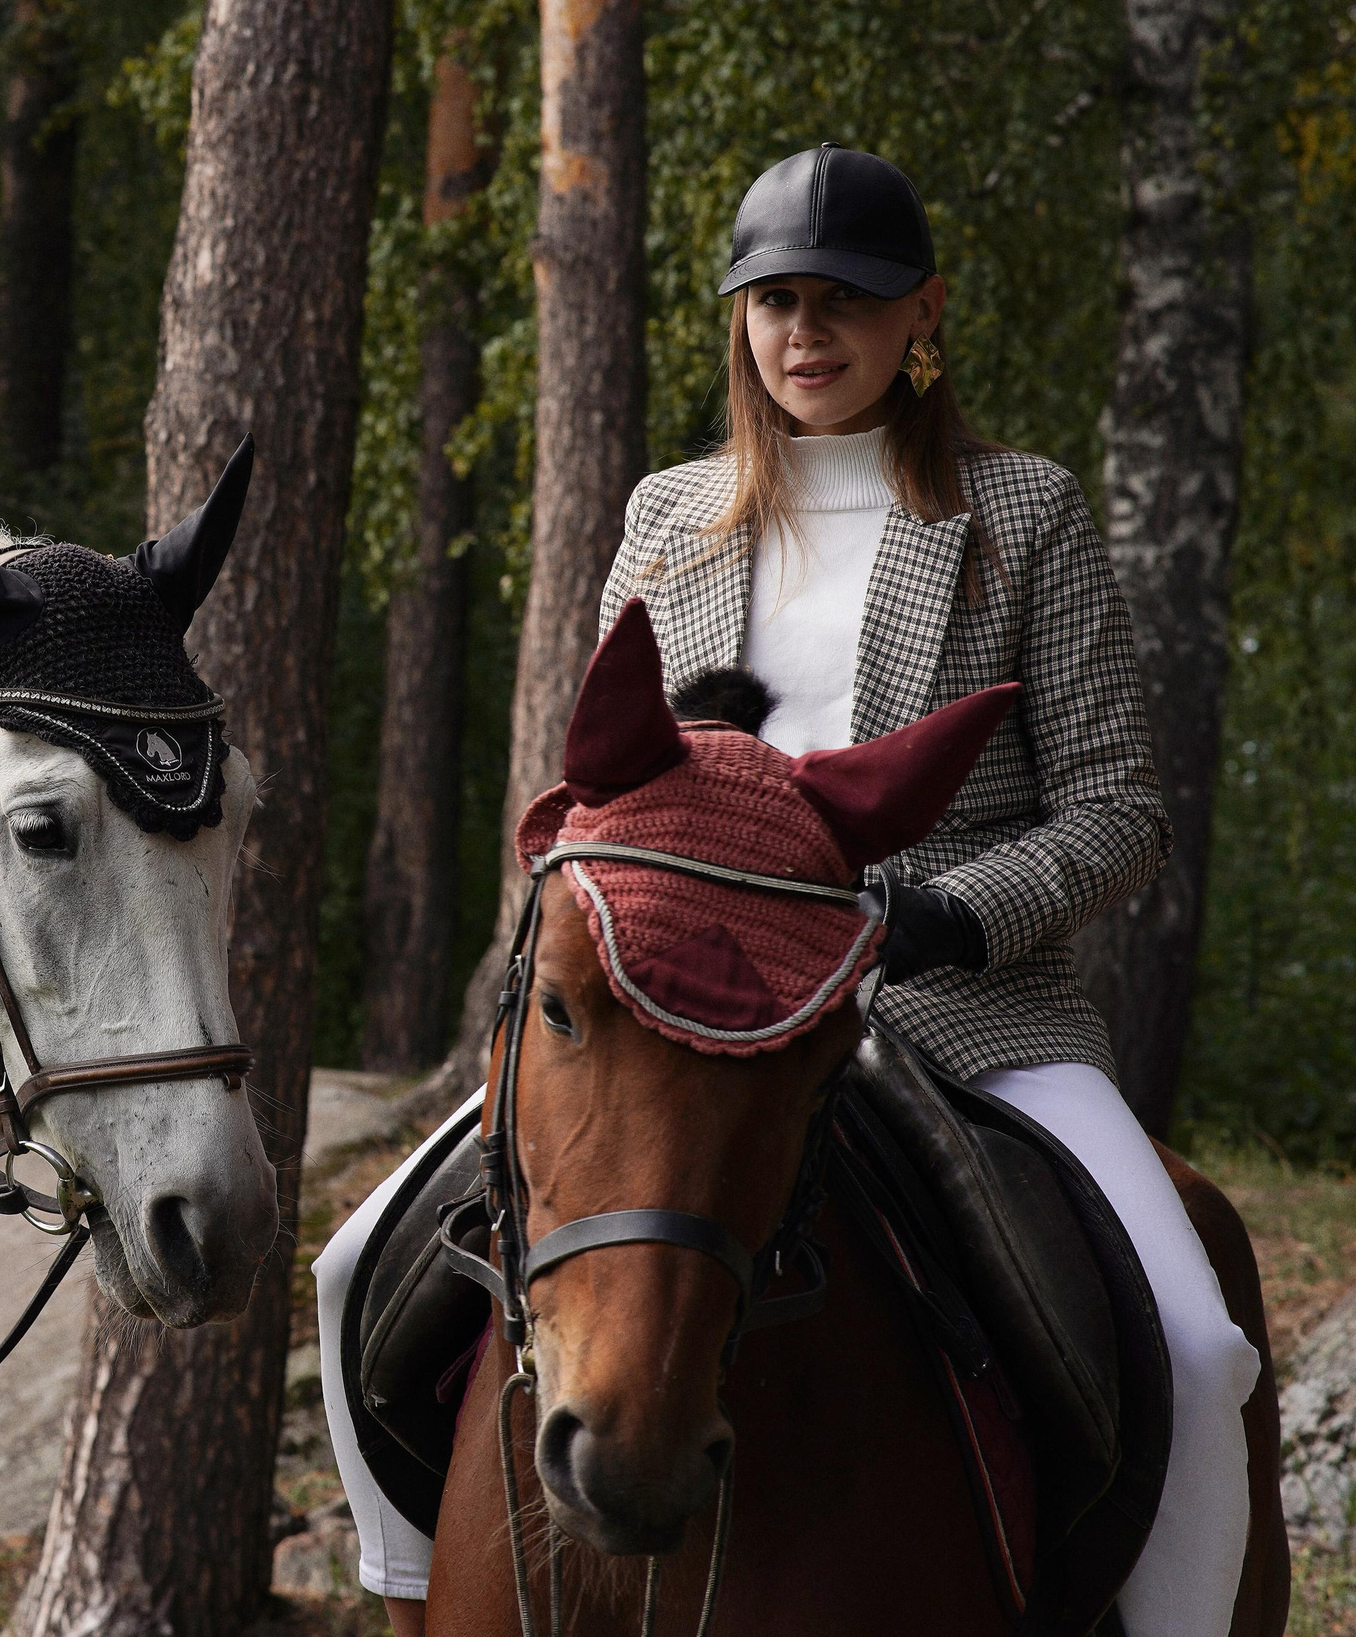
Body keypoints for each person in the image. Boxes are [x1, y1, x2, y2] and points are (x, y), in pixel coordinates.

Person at [314, 143, 1263, 1637]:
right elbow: (602, 792)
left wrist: (943, 917)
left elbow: (1118, 812)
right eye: (776, 304)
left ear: (922, 315)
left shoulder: (1024, 515)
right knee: (353, 1262)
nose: (808, 334)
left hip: (960, 1011)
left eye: (848, 303)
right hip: (670, 1013)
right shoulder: (666, 516)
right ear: (739, 321)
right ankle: (409, 1589)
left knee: (1199, 1350)